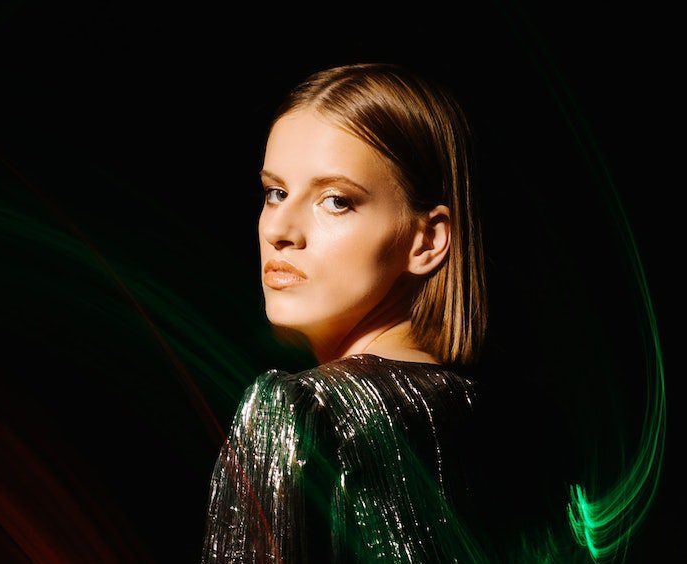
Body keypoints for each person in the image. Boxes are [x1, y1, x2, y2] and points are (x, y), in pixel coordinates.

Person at [199, 62, 491, 563]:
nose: (280, 230)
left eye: (336, 201)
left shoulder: (299, 412)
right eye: (276, 193)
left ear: (427, 240)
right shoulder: (507, 429)